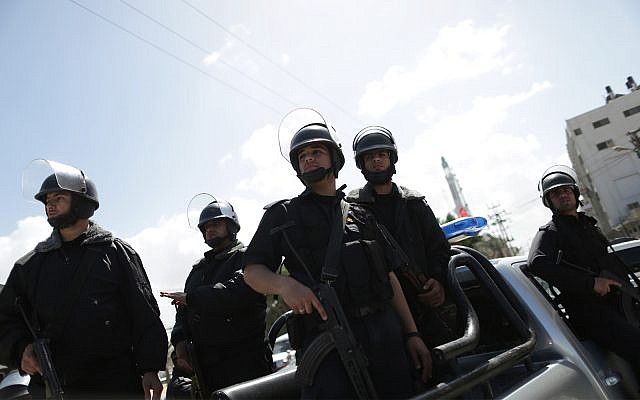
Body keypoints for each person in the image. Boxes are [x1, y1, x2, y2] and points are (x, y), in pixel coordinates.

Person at [243, 117, 432, 399]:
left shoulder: (361, 215)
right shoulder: (282, 215)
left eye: (316, 152)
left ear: (335, 158)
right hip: (328, 343)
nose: (308, 159)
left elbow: (390, 278)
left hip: (386, 337)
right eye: (302, 156)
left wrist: (412, 334)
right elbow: (252, 271)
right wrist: (285, 286)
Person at [0, 160, 167, 399]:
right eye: (48, 201)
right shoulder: (29, 266)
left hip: (116, 383)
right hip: (55, 386)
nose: (50, 205)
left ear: (81, 203)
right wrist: (20, 350)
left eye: (58, 198)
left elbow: (144, 313)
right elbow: (6, 320)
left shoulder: (117, 253)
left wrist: (150, 368)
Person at [346, 126, 454, 349]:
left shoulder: (414, 203)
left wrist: (438, 280)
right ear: (361, 164)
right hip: (383, 314)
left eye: (382, 155)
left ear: (391, 158)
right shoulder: (350, 210)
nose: (376, 161)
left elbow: (439, 247)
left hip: (426, 302)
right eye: (370, 157)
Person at [528, 165, 640, 374]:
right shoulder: (550, 232)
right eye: (555, 193)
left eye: (566, 190)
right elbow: (537, 263)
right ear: (549, 201)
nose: (563, 195)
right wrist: (590, 284)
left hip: (618, 304)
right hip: (592, 313)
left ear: (575, 193)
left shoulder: (589, 226)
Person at [161, 198, 272, 398]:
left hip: (246, 365)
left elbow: (234, 293)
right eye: (206, 227)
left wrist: (192, 298)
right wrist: (180, 345)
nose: (210, 230)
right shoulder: (197, 271)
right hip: (208, 371)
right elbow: (183, 313)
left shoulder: (247, 258)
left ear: (231, 226)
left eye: (216, 224)